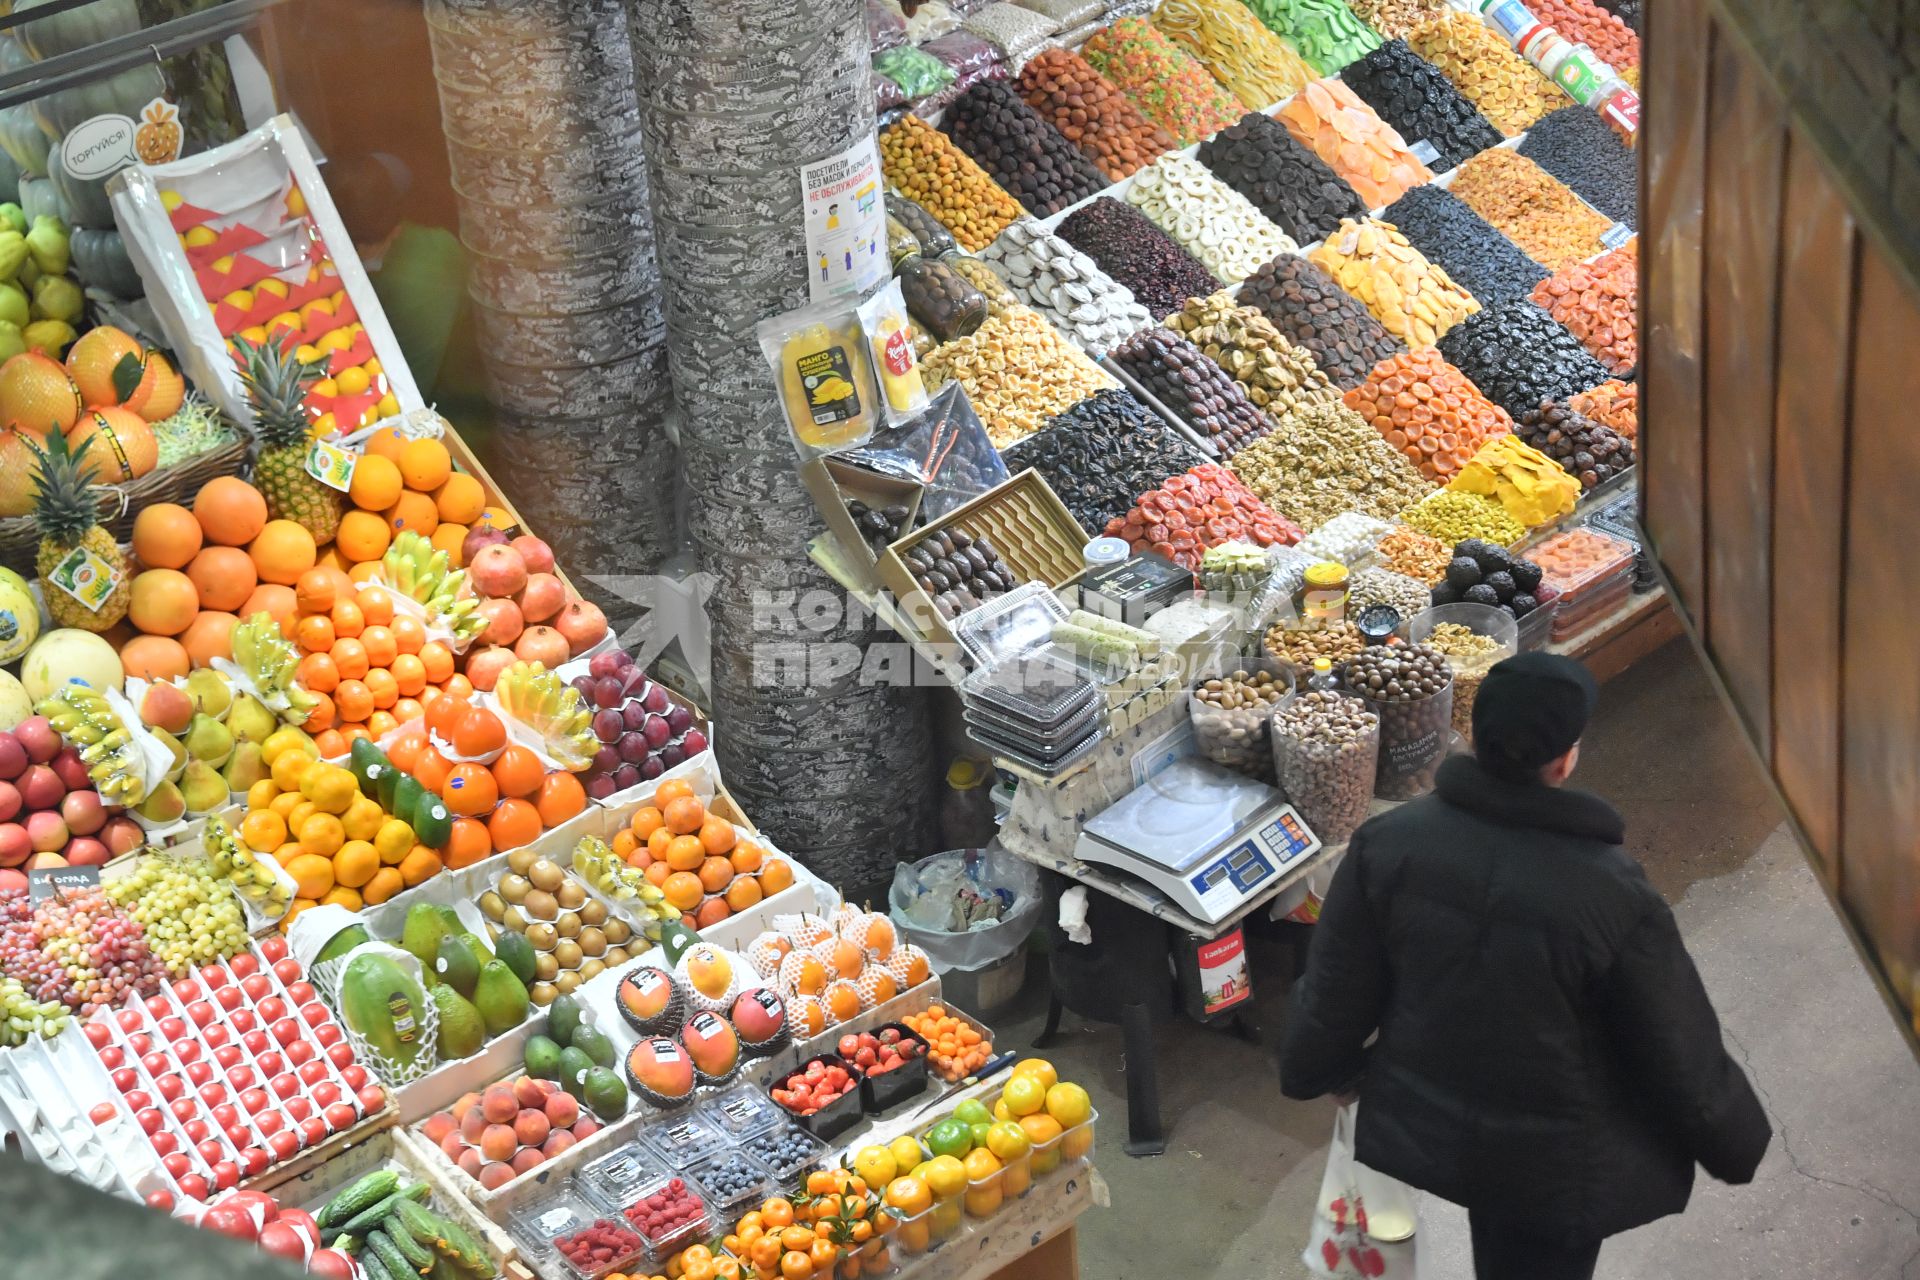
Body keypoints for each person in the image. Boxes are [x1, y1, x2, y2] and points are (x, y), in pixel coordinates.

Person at [1279, 652, 1771, 1280]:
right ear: (1566, 758)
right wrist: (1733, 1141)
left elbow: (1336, 988)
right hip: (1553, 1165)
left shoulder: (1389, 843)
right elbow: (1676, 1037)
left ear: (1477, 738)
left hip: (1432, 1112)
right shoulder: (1611, 893)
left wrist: (1322, 1068)